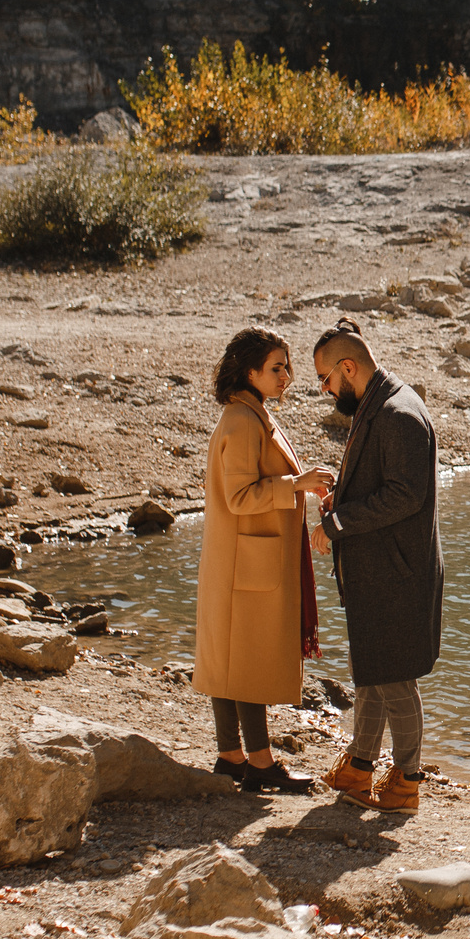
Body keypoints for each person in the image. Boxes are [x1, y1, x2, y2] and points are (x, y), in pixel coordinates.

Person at [194, 328, 334, 795]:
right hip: (245, 563)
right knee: (246, 662)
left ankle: (230, 756)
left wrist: (302, 483)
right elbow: (238, 496)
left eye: (287, 366)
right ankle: (260, 763)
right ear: (249, 371)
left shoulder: (250, 414)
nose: (287, 376)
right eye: (277, 367)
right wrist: (298, 484)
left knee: (230, 660)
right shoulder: (242, 420)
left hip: (239, 559)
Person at [310, 316, 443, 813]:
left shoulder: (397, 413)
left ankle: (407, 783)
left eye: (326, 379)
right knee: (371, 673)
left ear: (349, 367)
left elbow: (405, 496)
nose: (325, 390)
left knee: (394, 680)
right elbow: (381, 488)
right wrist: (337, 502)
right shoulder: (378, 404)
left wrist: (337, 524)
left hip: (397, 574)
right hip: (381, 570)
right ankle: (360, 769)